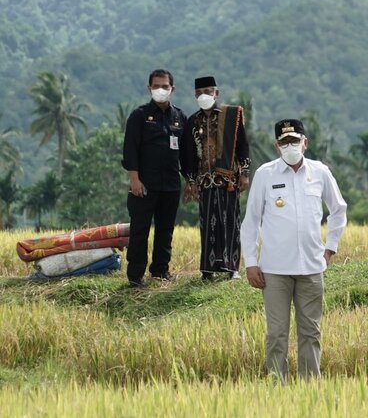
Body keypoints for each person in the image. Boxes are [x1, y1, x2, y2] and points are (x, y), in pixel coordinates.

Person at [241, 118, 347, 382]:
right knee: (277, 332)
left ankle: (311, 387)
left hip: (311, 267)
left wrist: (330, 249)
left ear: (305, 142)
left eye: (295, 141)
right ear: (277, 146)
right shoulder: (266, 174)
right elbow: (251, 221)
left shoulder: (319, 171)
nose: (290, 146)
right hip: (274, 270)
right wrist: (251, 263)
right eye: (285, 142)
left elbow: (338, 210)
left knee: (310, 332)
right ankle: (278, 385)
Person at [122, 69, 188, 288]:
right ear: (149, 88)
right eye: (156, 86)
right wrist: (134, 180)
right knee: (140, 230)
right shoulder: (139, 116)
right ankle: (135, 276)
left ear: (172, 89)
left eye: (165, 86)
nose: (161, 90)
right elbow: (130, 151)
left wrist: (190, 181)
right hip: (144, 185)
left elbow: (186, 154)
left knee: (165, 230)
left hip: (170, 185)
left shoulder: (179, 117)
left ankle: (160, 271)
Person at [181, 76, 250, 281]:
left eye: (208, 91)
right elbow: (187, 153)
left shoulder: (231, 116)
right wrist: (190, 180)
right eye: (200, 92)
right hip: (205, 182)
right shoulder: (192, 121)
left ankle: (232, 268)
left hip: (228, 180)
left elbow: (243, 146)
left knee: (231, 222)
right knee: (208, 224)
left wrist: (245, 173)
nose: (204, 95)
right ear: (195, 95)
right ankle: (208, 269)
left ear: (216, 93)